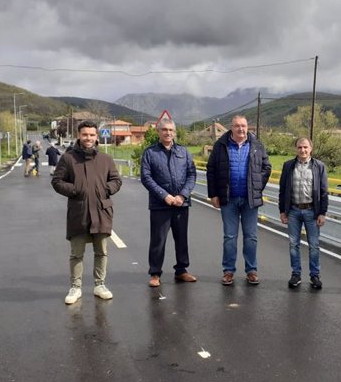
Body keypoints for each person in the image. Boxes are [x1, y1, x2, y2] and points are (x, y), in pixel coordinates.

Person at [52, 121, 122, 304]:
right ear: (79, 135)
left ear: (97, 136)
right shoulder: (68, 158)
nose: (88, 138)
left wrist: (106, 189)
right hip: (79, 212)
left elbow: (116, 180)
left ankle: (100, 284)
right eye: (85, 135)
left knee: (101, 251)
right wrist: (75, 189)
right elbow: (57, 181)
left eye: (92, 135)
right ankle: (75, 287)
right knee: (76, 253)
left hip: (101, 211)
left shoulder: (105, 159)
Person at [207, 115, 271, 286]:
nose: (241, 129)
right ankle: (228, 271)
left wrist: (257, 187)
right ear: (231, 127)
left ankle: (251, 271)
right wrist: (213, 194)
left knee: (251, 237)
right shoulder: (221, 145)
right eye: (237, 126)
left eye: (243, 126)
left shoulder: (256, 145)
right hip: (228, 199)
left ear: (247, 127)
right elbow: (211, 169)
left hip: (250, 199)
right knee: (229, 237)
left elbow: (267, 167)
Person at [140, 119, 197, 288]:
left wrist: (182, 195)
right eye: (164, 130)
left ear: (175, 132)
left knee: (181, 239)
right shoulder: (150, 153)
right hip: (160, 205)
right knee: (158, 240)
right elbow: (146, 177)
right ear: (158, 132)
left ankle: (181, 270)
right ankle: (155, 273)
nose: (168, 133)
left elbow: (191, 175)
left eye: (171, 130)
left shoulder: (184, 152)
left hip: (181, 204)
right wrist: (164, 196)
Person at [278, 137, 328, 290]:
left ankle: (315, 275)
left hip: (312, 211)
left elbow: (324, 191)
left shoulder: (319, 166)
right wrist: (282, 211)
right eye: (300, 147)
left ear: (310, 149)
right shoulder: (288, 166)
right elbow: (282, 190)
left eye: (305, 147)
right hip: (293, 210)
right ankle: (296, 274)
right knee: (294, 244)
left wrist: (322, 213)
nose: (303, 150)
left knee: (314, 245)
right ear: (296, 149)